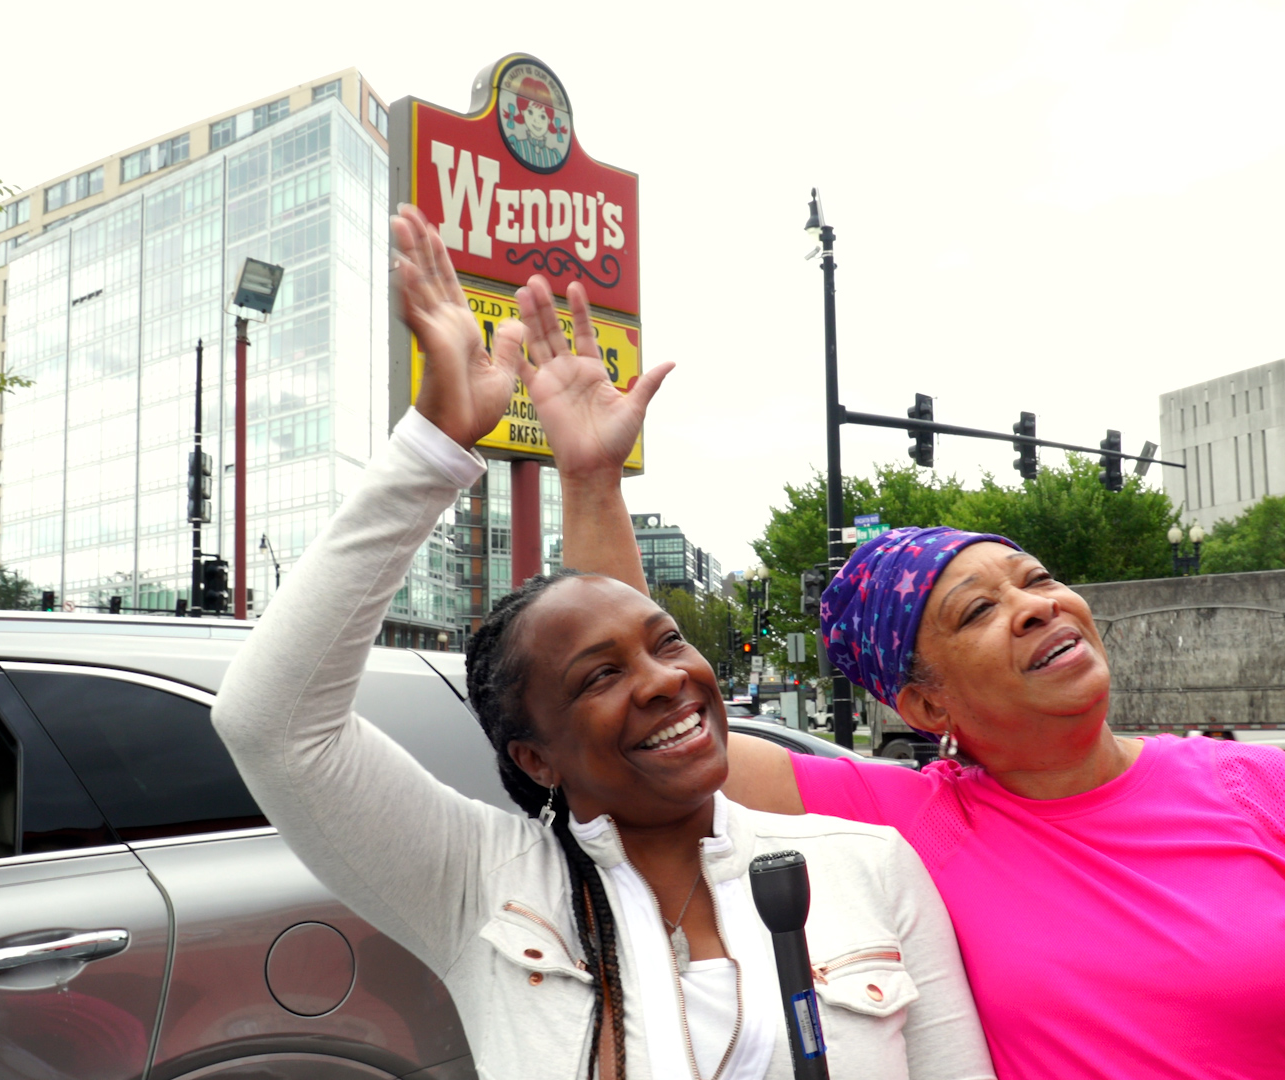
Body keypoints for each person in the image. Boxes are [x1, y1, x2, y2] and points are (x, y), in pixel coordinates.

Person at [210, 205, 993, 1080]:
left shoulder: (868, 867)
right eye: (599, 677)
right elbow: (270, 726)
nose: (667, 682)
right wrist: (431, 450)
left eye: (667, 643)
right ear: (536, 758)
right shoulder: (478, 884)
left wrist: (594, 480)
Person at [556, 448, 1285, 1074]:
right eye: (978, 610)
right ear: (925, 705)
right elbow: (647, 722)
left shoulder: (1278, 794)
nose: (1039, 604)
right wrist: (595, 480)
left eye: (1038, 578)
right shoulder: (902, 826)